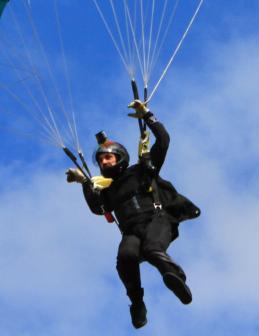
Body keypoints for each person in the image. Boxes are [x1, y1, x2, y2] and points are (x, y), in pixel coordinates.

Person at [66, 100, 199, 329]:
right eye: (101, 160)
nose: (104, 162)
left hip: (157, 220)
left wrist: (147, 115)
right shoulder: (108, 191)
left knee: (152, 249)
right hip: (131, 232)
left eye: (108, 157)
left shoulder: (141, 170)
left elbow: (163, 141)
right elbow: (97, 208)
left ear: (120, 157)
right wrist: (84, 183)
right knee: (125, 257)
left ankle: (176, 278)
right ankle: (137, 304)